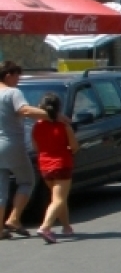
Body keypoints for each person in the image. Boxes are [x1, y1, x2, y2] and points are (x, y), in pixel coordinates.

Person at [1, 60, 53, 239]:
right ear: (8, 75)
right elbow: (24, 111)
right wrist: (51, 115)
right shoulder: (12, 93)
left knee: (1, 188)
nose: (18, 80)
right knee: (27, 181)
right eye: (17, 76)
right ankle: (14, 218)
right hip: (12, 143)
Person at [31, 92, 79, 244]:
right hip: (62, 164)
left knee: (57, 197)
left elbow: (36, 147)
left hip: (45, 165)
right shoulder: (64, 126)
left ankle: (66, 227)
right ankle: (45, 227)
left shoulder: (37, 126)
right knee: (59, 199)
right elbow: (74, 147)